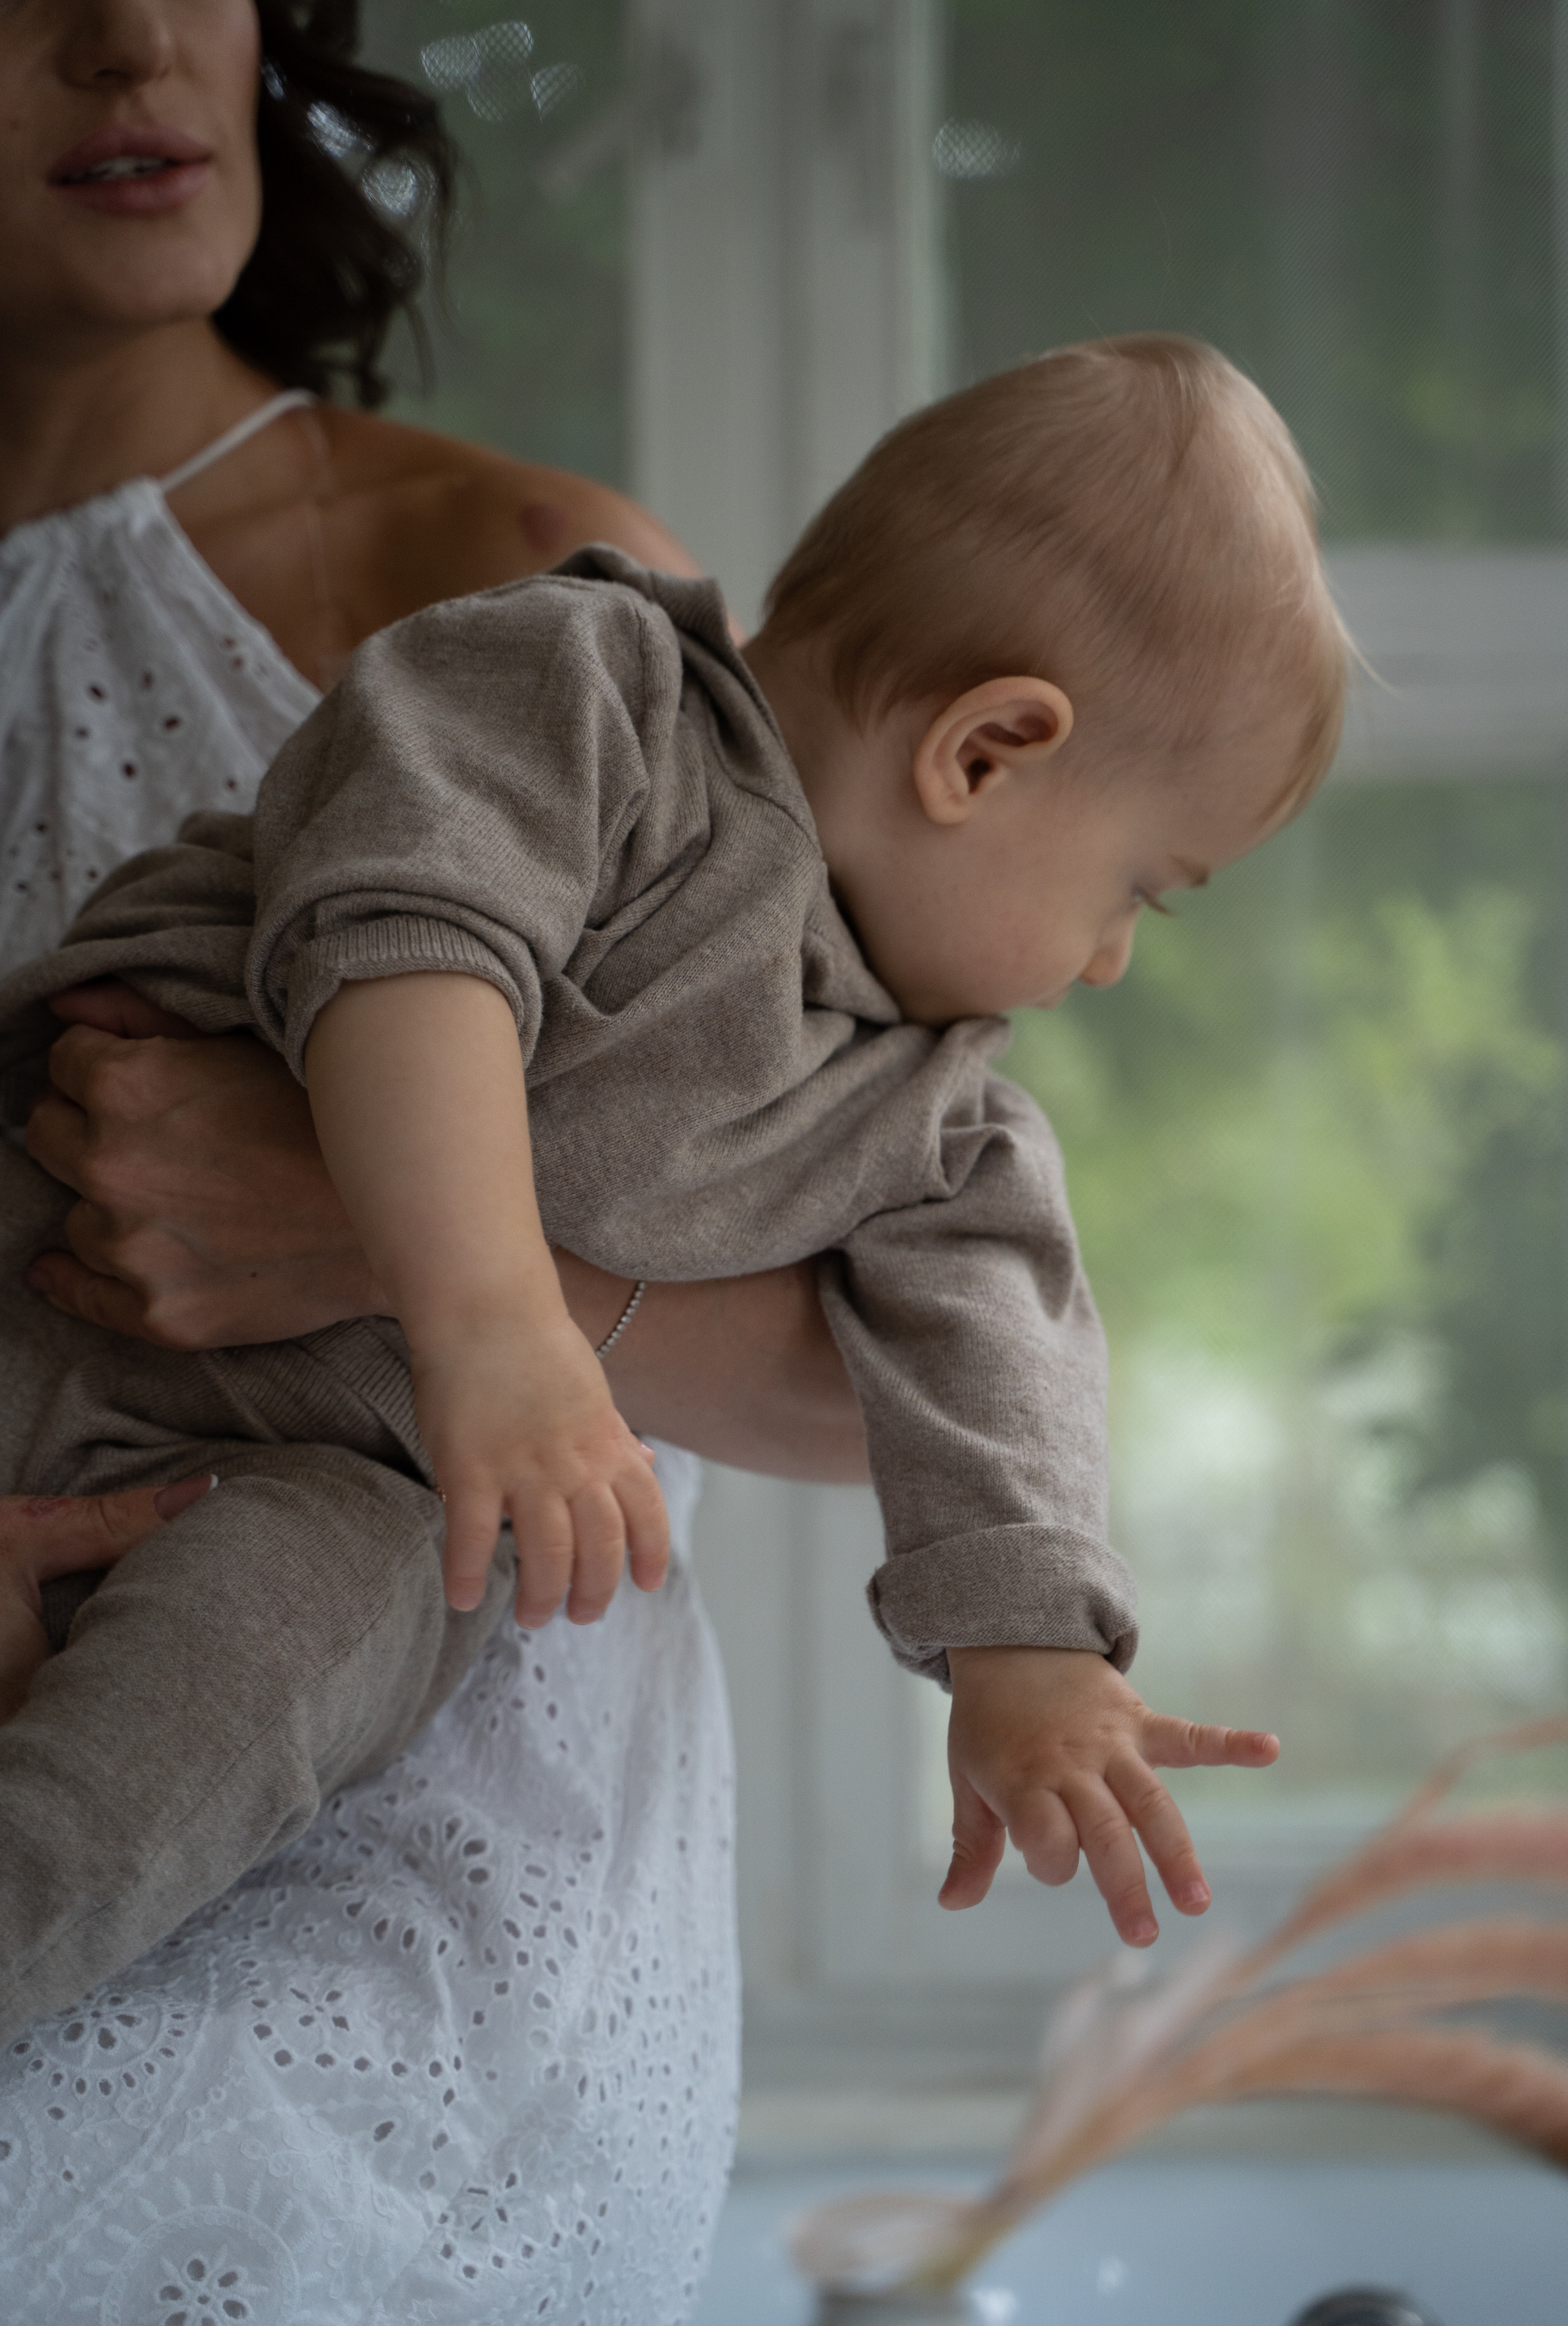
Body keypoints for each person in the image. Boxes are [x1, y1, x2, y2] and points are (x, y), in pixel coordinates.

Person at [0, 335, 1332, 2018]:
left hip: (294, 1494)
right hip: (40, 1242)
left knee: (293, 1656)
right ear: (984, 752)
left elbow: (1001, 1356)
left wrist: (1033, 1657)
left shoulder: (935, 1109)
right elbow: (410, 945)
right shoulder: (583, 692)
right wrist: (491, 1323)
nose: (1118, 957)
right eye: (1144, 884)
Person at [0, 0, 862, 2316]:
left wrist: (384, 1228)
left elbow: (902, 1343)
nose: (120, 34)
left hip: (424, 1945)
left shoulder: (520, 590)